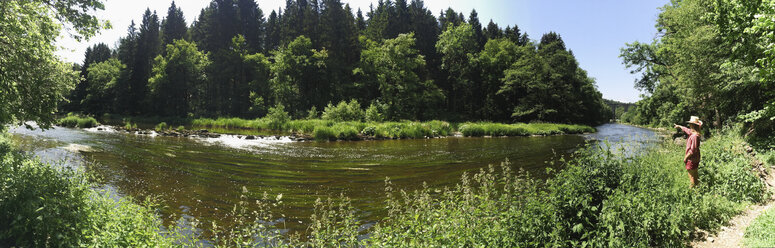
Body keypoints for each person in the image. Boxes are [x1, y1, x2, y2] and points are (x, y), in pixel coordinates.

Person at [674, 116, 703, 188]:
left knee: (692, 178)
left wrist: (686, 157)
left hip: (691, 159)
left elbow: (692, 150)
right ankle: (699, 191)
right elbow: (686, 129)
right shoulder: (692, 133)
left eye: (690, 124)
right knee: (695, 176)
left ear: (692, 125)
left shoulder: (694, 136)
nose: (689, 125)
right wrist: (679, 126)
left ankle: (691, 194)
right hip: (696, 158)